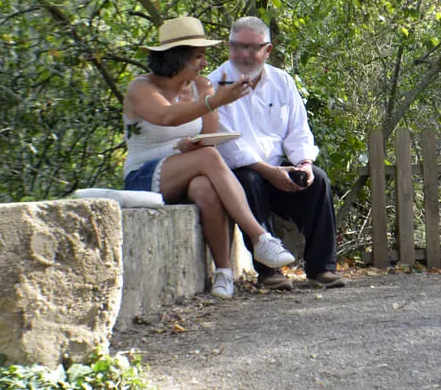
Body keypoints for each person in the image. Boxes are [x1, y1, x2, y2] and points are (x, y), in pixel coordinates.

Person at [122, 16, 295, 300]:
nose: (204, 64)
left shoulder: (199, 87)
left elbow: (209, 136)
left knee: (205, 187)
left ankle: (223, 274)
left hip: (186, 169)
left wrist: (198, 130)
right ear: (176, 58)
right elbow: (165, 116)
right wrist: (214, 101)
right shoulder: (141, 88)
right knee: (208, 158)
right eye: (198, 57)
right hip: (144, 176)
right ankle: (260, 237)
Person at [208, 16, 345, 290]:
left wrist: (304, 163)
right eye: (238, 46)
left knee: (318, 181)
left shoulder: (282, 82)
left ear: (267, 50)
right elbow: (226, 144)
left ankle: (321, 268)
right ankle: (269, 272)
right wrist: (268, 172)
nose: (244, 54)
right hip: (239, 172)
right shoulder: (215, 84)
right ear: (229, 47)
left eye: (252, 47)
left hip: (278, 167)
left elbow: (299, 130)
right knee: (249, 181)